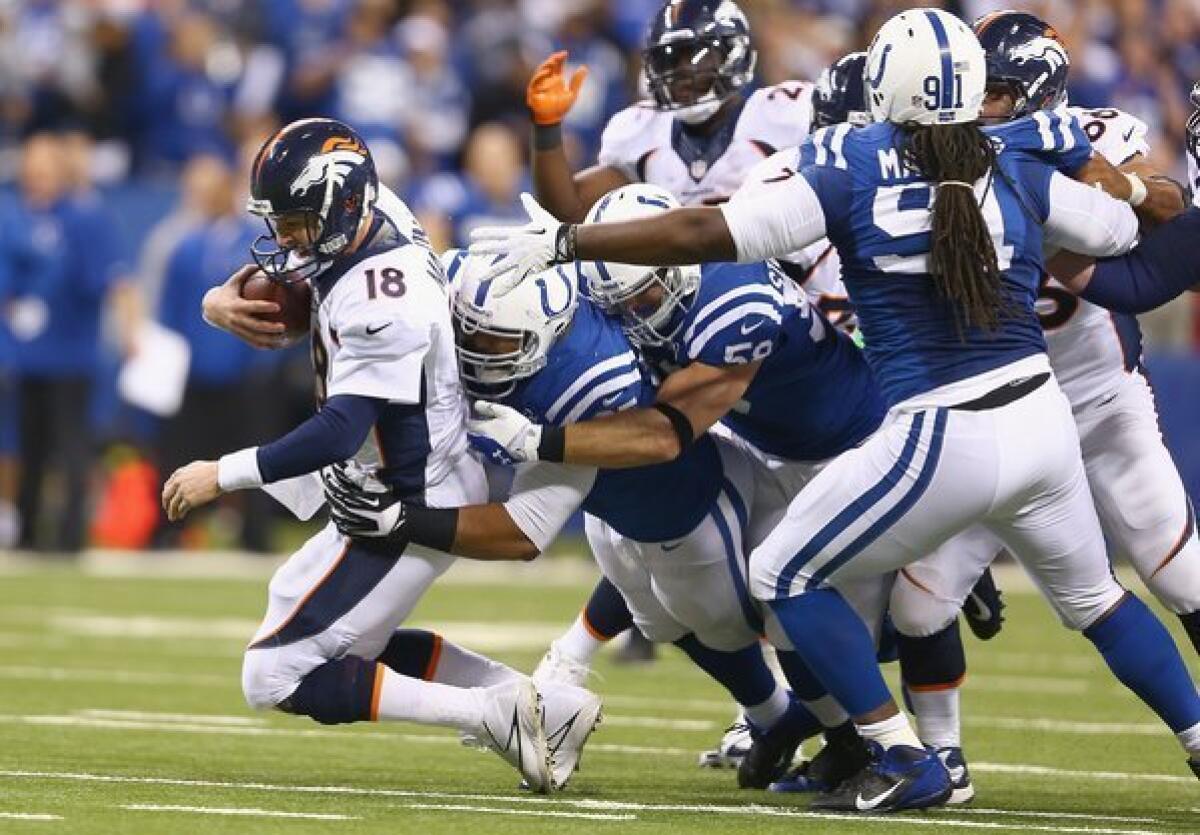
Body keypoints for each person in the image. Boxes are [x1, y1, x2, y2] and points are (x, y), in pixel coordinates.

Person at [466, 9, 1200, 812]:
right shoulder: (1019, 154)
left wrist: (574, 242)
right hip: (1042, 417)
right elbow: (1118, 230)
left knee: (782, 570)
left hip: (943, 426)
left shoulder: (852, 159)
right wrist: (1132, 183)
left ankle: (902, 754)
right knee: (1096, 600)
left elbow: (710, 230)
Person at [161, 117, 599, 793]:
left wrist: (223, 473)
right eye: (279, 222)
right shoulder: (374, 207)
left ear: (341, 206)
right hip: (392, 472)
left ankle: (495, 712)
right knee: (335, 639)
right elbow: (302, 286)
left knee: (274, 673)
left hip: (403, 495)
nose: (286, 240)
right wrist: (218, 299)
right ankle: (550, 706)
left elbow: (340, 427)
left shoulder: (383, 296)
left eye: (299, 224)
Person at [328, 245, 815, 786]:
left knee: (729, 627)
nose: (473, 350)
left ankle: (847, 736)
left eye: (493, 341)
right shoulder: (493, 311)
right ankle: (776, 720)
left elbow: (521, 533)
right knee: (661, 621)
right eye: (464, 330)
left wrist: (402, 520)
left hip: (687, 508)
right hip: (610, 512)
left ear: (543, 334)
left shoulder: (585, 381)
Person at [887, 9, 1200, 785]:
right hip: (992, 405)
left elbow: (1168, 204)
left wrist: (1119, 183)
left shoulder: (1093, 133)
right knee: (918, 607)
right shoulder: (930, 149)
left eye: (992, 89)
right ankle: (942, 756)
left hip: (1098, 397)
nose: (975, 101)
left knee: (1179, 573)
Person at [526, 0, 820, 759]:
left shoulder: (790, 112)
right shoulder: (637, 131)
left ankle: (833, 709)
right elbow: (570, 210)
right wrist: (547, 131)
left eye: (700, 54)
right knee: (663, 527)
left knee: (785, 535)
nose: (687, 71)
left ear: (738, 53)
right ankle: (772, 706)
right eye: (672, 58)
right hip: (667, 334)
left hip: (773, 329)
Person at [2, 133, 121, 554]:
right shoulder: (16, 215)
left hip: (71, 352)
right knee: (26, 445)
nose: (36, 179)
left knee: (71, 446)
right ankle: (28, 530)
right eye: (31, 171)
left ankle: (70, 537)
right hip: (27, 353)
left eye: (45, 170)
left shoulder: (85, 217)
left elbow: (106, 279)